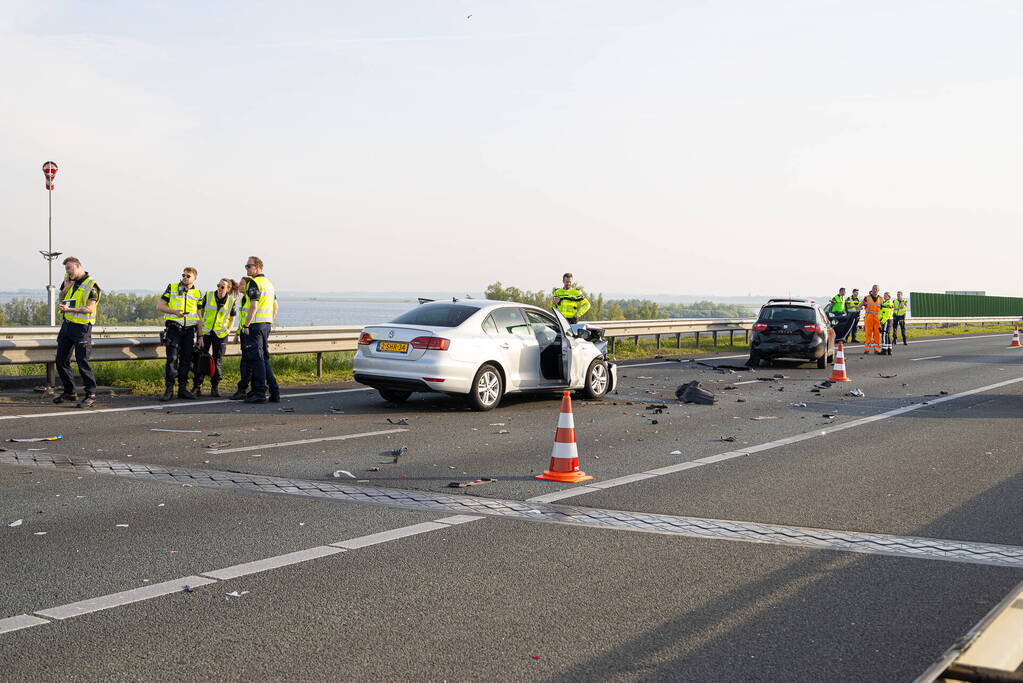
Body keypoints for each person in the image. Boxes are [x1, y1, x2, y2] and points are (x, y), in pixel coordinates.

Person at [53, 256, 101, 409]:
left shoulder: (91, 285)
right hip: (67, 326)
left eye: (69, 268)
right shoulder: (68, 281)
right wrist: (66, 288)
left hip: (81, 328)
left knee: (82, 362)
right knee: (61, 360)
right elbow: (61, 299)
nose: (67, 272)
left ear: (78, 266)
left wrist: (70, 309)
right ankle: (70, 392)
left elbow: (89, 309)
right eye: (66, 269)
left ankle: (90, 395)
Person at [156, 267, 203, 401]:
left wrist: (200, 336)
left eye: (188, 276)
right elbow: (159, 306)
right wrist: (174, 312)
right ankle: (169, 389)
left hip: (189, 331)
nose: (185, 278)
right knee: (172, 360)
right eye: (183, 275)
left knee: (186, 361)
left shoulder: (198, 293)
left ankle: (183, 389)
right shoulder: (172, 287)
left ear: (194, 278)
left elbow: (199, 316)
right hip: (174, 329)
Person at [239, 256, 279, 404]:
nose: (246, 269)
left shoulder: (254, 283)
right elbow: (276, 307)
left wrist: (246, 325)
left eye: (248, 266)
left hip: (255, 326)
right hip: (265, 325)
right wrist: (269, 321)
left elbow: (253, 306)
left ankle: (260, 392)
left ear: (257, 267)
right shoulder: (269, 284)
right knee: (263, 359)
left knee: (257, 359)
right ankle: (274, 391)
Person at [192, 278, 238, 397]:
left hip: (220, 334)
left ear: (228, 289)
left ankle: (215, 387)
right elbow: (199, 313)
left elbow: (233, 318)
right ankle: (197, 386)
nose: (219, 288)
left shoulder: (231, 301)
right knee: (201, 359)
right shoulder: (208, 295)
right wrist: (200, 334)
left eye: (223, 287)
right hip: (206, 333)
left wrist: (228, 330)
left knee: (217, 360)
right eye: (218, 286)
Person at [230, 276, 254, 400]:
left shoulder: (251, 299)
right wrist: (237, 334)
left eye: (242, 284)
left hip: (250, 334)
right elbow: (243, 318)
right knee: (246, 363)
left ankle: (243, 389)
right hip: (244, 334)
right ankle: (246, 389)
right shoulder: (244, 299)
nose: (239, 286)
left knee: (246, 363)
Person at [860, 285, 883, 354]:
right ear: (872, 289)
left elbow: (884, 309)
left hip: (878, 319)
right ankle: (867, 349)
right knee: (868, 334)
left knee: (877, 334)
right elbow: (860, 305)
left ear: (878, 290)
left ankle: (877, 350)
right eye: (874, 288)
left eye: (876, 289)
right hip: (869, 318)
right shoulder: (867, 298)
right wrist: (860, 306)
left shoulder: (881, 299)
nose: (875, 290)